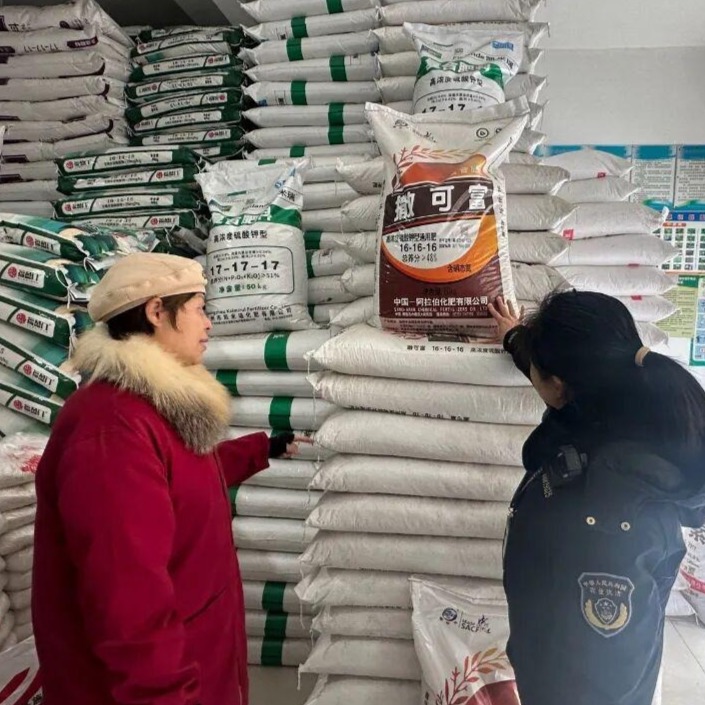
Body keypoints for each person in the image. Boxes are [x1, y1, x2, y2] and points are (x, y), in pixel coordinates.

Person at [32, 253, 302, 705]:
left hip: (201, 664)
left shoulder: (149, 407)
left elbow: (179, 482)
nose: (208, 323)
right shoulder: (111, 429)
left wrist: (259, 450)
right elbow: (129, 601)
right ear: (157, 311)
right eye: (199, 308)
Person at [489, 291, 705, 705]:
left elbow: (605, 680)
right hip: (548, 665)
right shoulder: (615, 416)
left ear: (560, 386)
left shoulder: (608, 519)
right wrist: (515, 337)